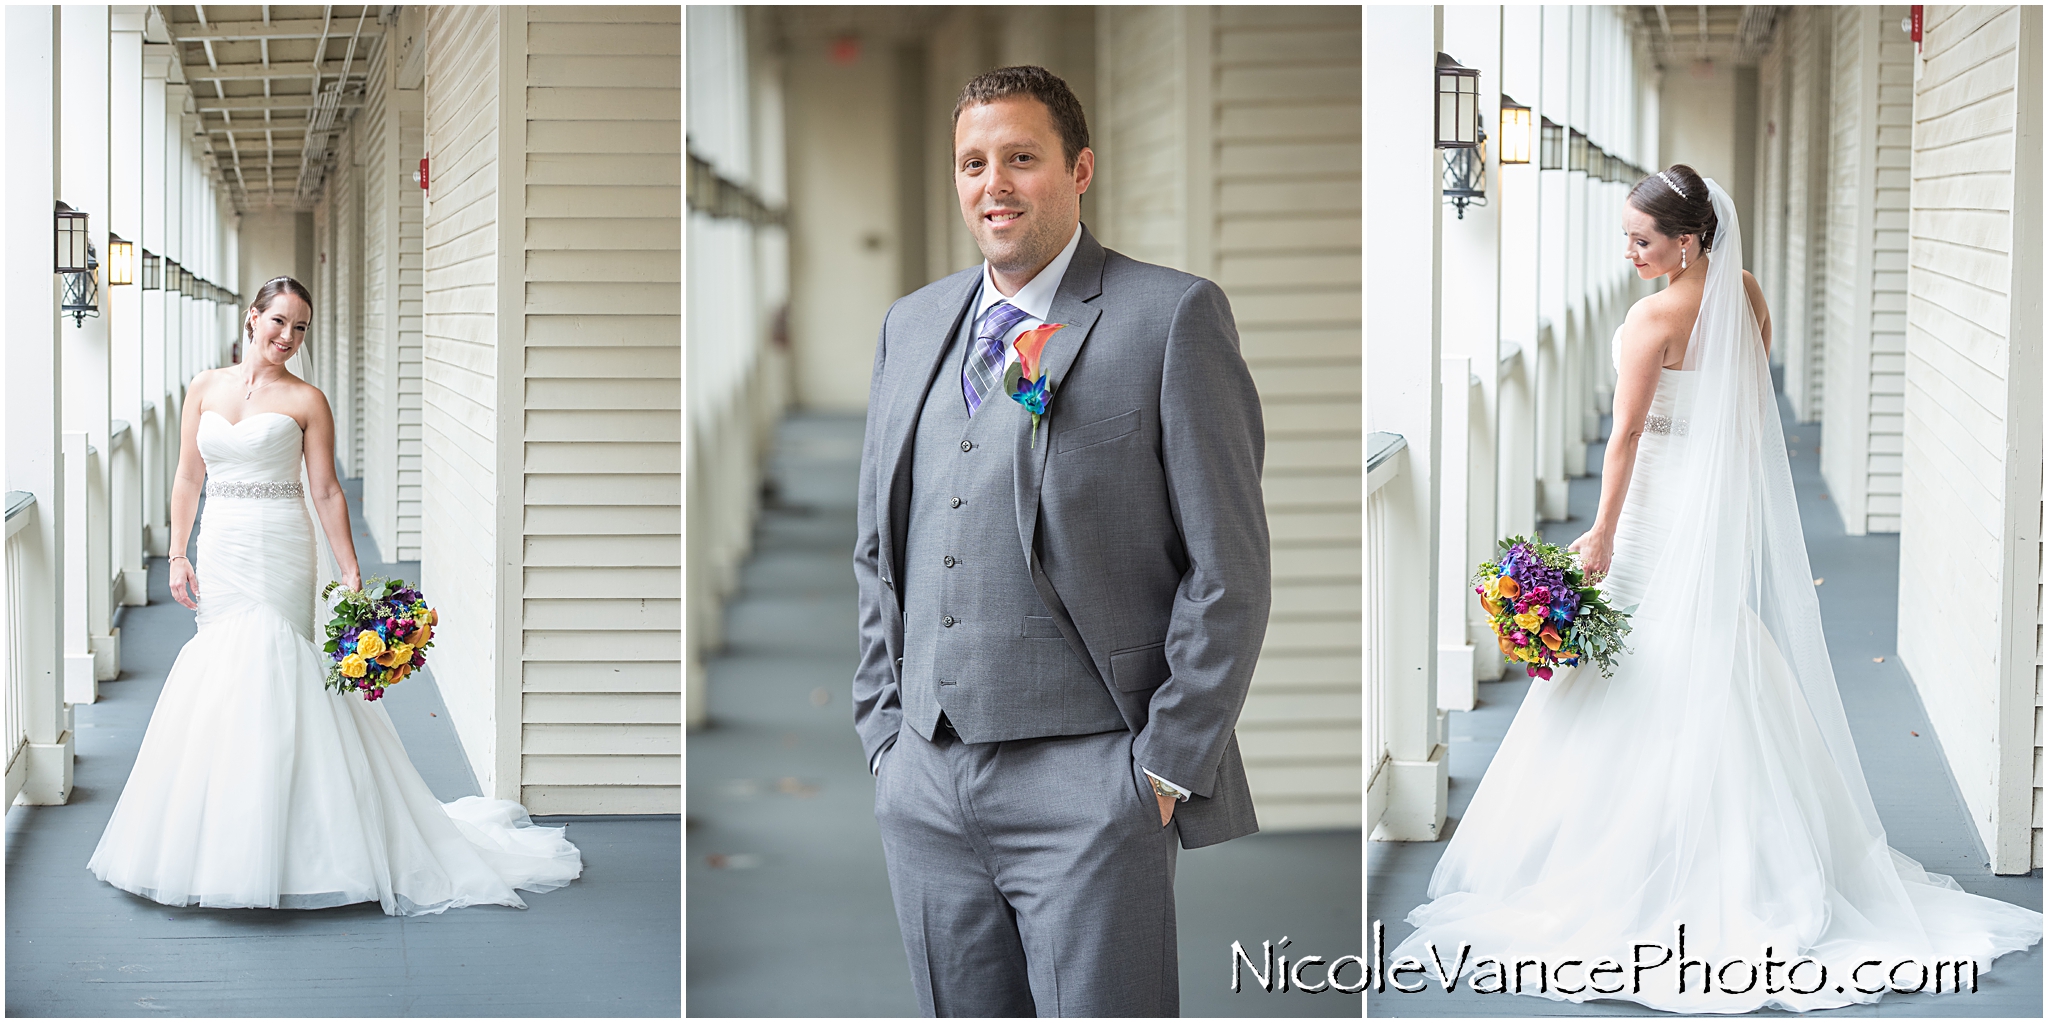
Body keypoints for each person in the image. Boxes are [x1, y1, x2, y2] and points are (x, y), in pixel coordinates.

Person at [1388, 165, 2042, 1011]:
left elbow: (1624, 438)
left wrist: (1604, 532)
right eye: (1627, 236)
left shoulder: (1648, 320)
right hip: (1711, 509)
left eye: (1642, 239)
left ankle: (1630, 861)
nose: (1629, 251)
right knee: (1705, 653)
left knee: (1630, 672)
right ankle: (1740, 849)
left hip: (1654, 510)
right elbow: (1745, 411)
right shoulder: (1744, 293)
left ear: (1686, 239)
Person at [851, 66, 1270, 1017]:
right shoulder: (909, 327)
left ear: (1079, 170)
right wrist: (884, 734)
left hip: (1094, 780)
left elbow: (1230, 569)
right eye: (972, 162)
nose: (993, 183)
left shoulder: (1171, 317)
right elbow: (878, 546)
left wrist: (1163, 766)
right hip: (925, 774)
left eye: (1021, 158)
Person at [87, 276, 583, 916]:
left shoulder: (308, 400)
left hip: (280, 547)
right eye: (279, 323)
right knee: (222, 673)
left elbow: (324, 491)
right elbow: (188, 474)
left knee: (277, 669)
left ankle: (300, 844)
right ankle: (227, 837)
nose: (288, 338)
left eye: (300, 329)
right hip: (224, 546)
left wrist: (350, 568)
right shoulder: (204, 387)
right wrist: (178, 551)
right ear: (251, 319)